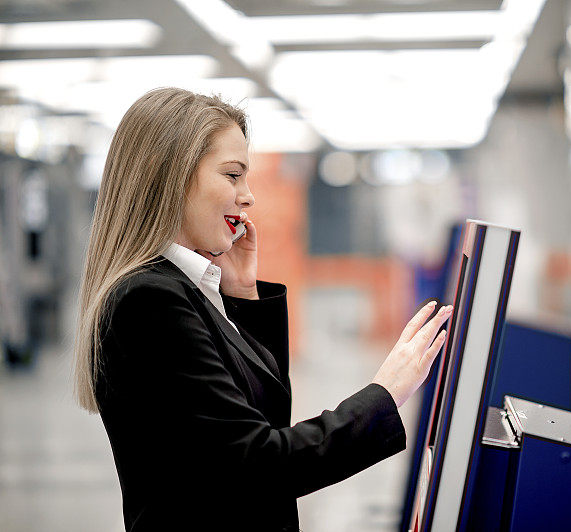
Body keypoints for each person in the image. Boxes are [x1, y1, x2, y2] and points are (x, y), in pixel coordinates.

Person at [71, 87, 453, 531]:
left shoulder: (179, 290)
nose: (248, 196)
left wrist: (242, 296)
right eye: (233, 176)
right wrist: (384, 395)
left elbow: (259, 420)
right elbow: (258, 464)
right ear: (172, 176)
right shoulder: (149, 302)